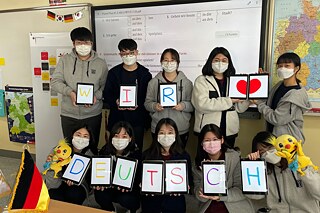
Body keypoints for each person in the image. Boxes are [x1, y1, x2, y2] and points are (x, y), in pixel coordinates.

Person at [51, 27, 108, 147]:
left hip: (92, 115)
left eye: (86, 42)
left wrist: (95, 97)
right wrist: (70, 93)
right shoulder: (64, 60)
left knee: (91, 148)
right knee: (69, 150)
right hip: (69, 115)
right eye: (79, 43)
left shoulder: (101, 63)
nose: (83, 46)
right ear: (73, 43)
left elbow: (105, 87)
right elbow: (55, 82)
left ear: (91, 43)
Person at [247, 131, 320, 212]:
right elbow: (255, 196)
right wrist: (253, 166)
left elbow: (318, 193)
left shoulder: (300, 164)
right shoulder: (266, 172)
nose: (267, 152)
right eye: (262, 151)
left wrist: (304, 169)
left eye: (270, 147)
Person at [191, 47, 250, 148]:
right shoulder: (202, 80)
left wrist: (248, 97)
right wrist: (229, 101)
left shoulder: (233, 81)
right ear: (210, 61)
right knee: (206, 161)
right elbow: (202, 104)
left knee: (228, 160)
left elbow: (239, 109)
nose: (220, 63)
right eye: (216, 60)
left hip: (229, 131)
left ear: (229, 63)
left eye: (224, 60)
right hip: (208, 131)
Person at [193, 123, 255, 213]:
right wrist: (206, 175)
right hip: (209, 205)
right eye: (207, 140)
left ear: (222, 140)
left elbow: (240, 190)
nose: (211, 143)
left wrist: (220, 196)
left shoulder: (234, 158)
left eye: (215, 139)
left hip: (233, 204)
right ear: (202, 143)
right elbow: (200, 197)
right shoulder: (197, 164)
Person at [103, 39, 152, 151]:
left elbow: (148, 97)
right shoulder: (113, 73)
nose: (128, 56)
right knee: (116, 150)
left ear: (136, 52)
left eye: (131, 53)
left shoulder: (145, 74)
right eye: (124, 53)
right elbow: (107, 94)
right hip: (117, 118)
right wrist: (115, 101)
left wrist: (137, 104)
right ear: (120, 54)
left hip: (137, 120)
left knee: (136, 150)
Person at [252, 52, 311, 143]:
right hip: (274, 137)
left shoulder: (295, 96)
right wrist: (263, 81)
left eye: (287, 66)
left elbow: (276, 119)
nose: (282, 69)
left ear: (296, 68)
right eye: (280, 66)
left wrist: (259, 104)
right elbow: (269, 102)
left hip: (287, 143)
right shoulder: (279, 85)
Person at [141, 118, 193, 213]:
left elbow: (189, 180)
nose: (166, 136)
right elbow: (140, 180)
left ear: (176, 135)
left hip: (175, 201)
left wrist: (186, 186)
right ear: (156, 135)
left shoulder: (184, 156)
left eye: (170, 133)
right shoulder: (146, 155)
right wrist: (141, 185)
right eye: (161, 133)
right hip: (151, 201)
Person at [144, 48, 193, 147]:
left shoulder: (187, 83)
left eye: (172, 60)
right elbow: (147, 104)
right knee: (158, 157)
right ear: (161, 62)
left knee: (178, 159)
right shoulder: (153, 82)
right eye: (165, 60)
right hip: (158, 129)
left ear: (178, 63)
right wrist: (154, 106)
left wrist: (183, 106)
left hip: (180, 128)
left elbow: (192, 105)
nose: (169, 63)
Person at [94, 121, 141, 212]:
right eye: (116, 136)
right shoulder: (104, 151)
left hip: (128, 192)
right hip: (110, 188)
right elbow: (100, 173)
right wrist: (99, 183)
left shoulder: (136, 154)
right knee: (99, 193)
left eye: (124, 137)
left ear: (130, 138)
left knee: (127, 199)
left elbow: (139, 178)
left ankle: (132, 210)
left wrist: (130, 186)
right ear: (111, 137)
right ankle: (109, 209)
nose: (120, 139)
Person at [46, 125, 98, 205]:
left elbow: (89, 180)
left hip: (78, 187)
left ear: (90, 140)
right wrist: (52, 165)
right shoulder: (58, 150)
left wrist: (76, 180)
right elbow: (51, 183)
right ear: (72, 135)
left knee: (74, 194)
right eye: (78, 135)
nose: (81, 139)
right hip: (59, 182)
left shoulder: (90, 155)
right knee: (53, 195)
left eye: (85, 136)